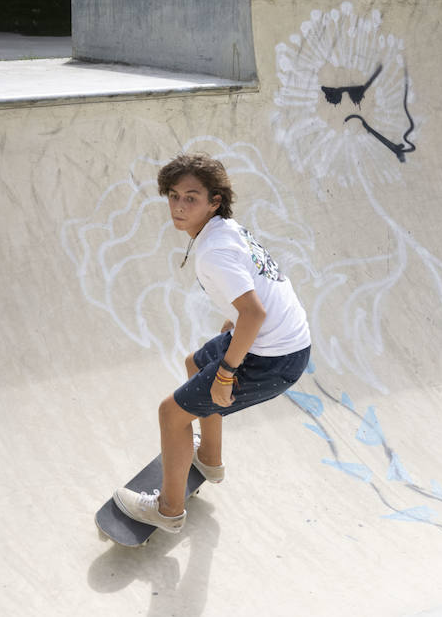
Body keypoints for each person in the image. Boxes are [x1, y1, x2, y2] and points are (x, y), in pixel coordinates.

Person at [113, 153, 312, 533]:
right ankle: (209, 458)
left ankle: (168, 511)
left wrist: (225, 374)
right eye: (173, 196)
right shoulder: (225, 230)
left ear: (214, 201)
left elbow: (254, 313)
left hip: (273, 357)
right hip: (279, 340)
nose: (179, 206)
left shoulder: (215, 251)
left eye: (191, 197)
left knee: (171, 415)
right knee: (193, 363)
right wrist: (231, 331)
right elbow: (253, 294)